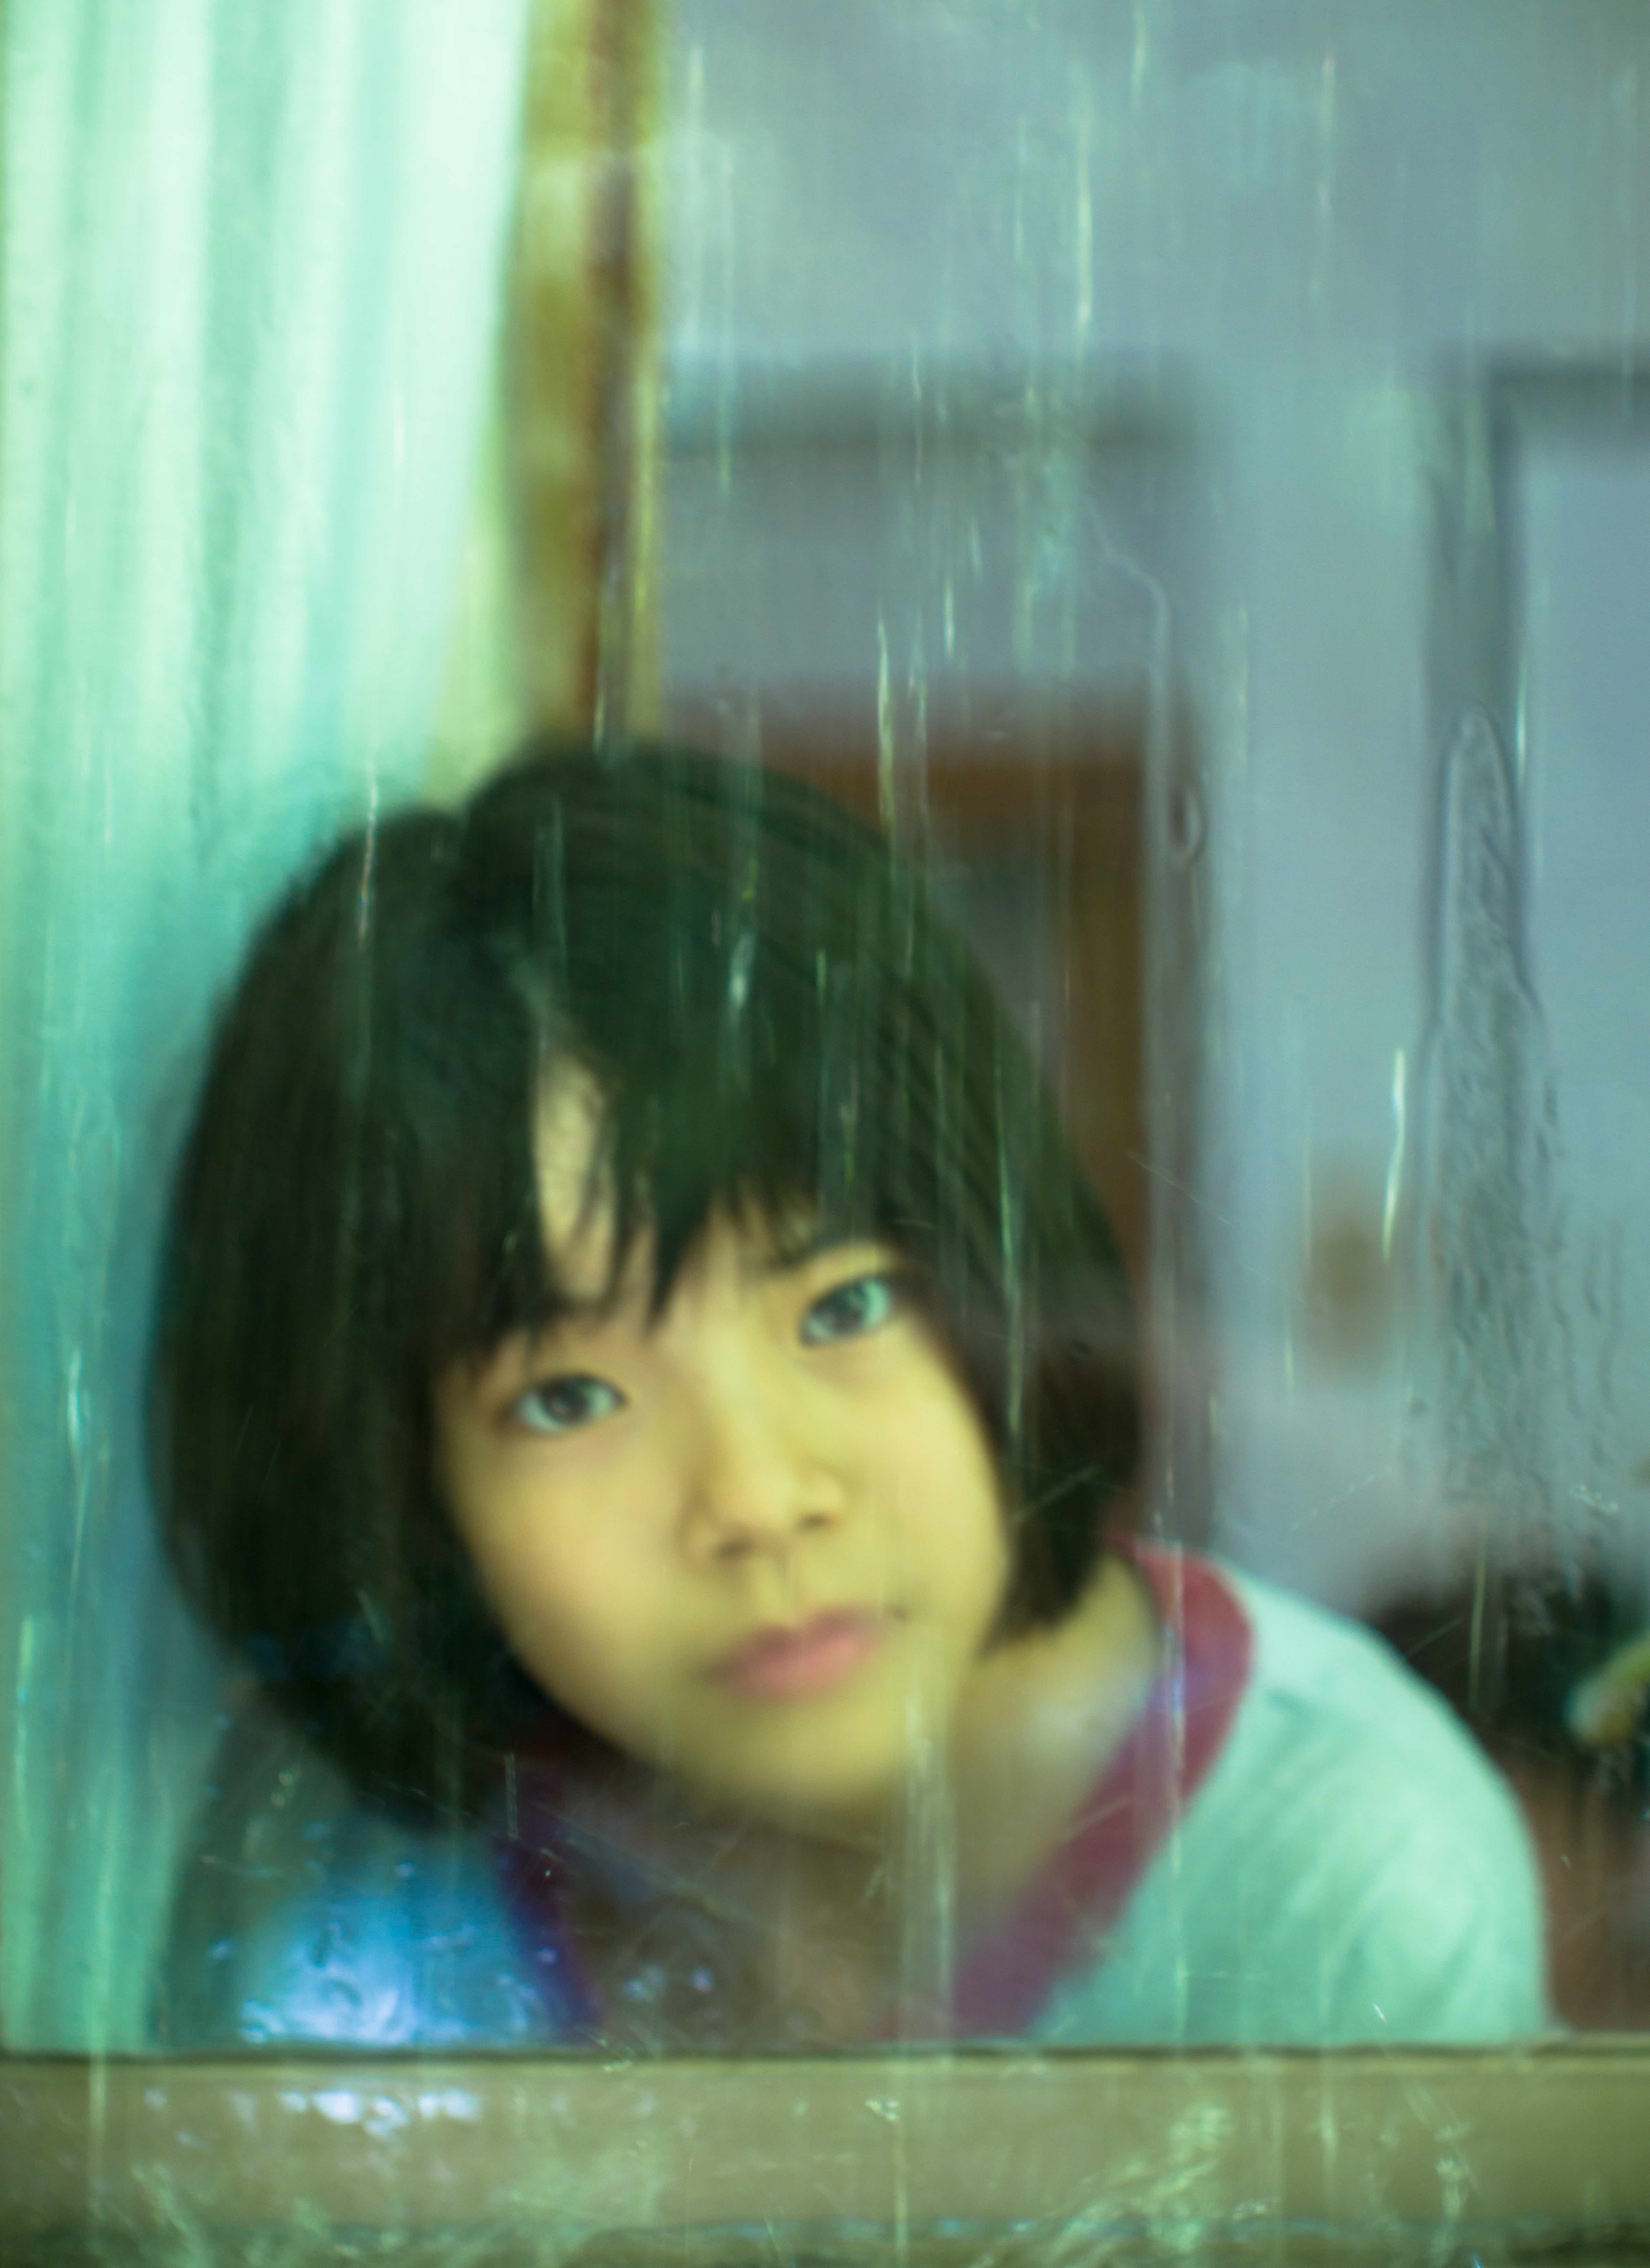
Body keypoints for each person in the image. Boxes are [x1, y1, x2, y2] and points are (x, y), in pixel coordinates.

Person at [148, 742, 1549, 2050]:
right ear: (406, 1484)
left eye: (843, 1307)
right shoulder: (342, 1880)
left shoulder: (1338, 1875)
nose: (758, 1498)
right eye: (568, 1395)